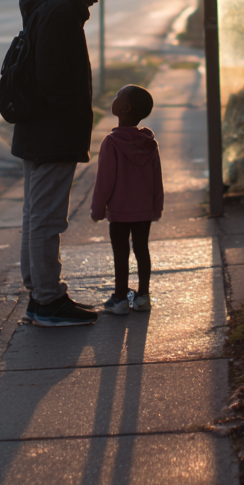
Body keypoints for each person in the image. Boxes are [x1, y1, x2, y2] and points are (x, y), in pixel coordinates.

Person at [13, 0, 110, 327]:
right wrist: (73, 115)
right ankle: (48, 300)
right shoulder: (61, 12)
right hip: (52, 132)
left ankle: (39, 292)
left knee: (35, 215)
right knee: (48, 218)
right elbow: (52, 76)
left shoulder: (47, 6)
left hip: (36, 129)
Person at [90, 84, 165, 314]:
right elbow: (156, 178)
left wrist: (98, 209)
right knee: (142, 250)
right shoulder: (149, 143)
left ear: (124, 108)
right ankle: (143, 296)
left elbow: (105, 180)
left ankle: (121, 298)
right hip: (143, 211)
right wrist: (156, 207)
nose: (113, 98)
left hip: (120, 211)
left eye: (116, 96)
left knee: (120, 253)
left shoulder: (111, 142)